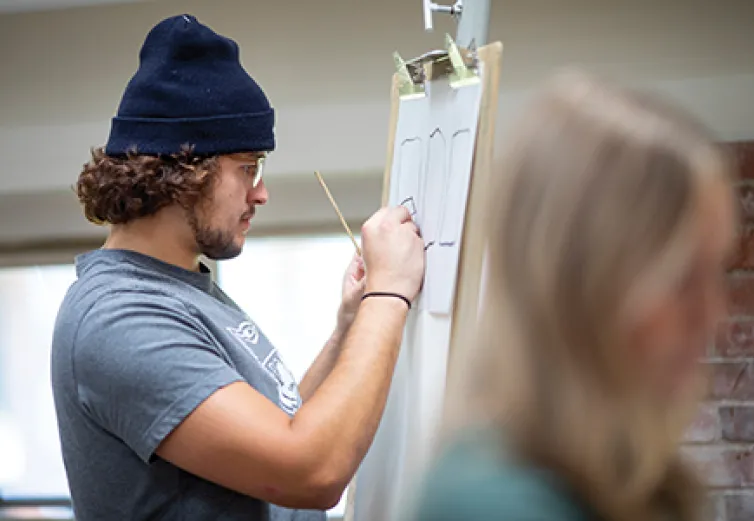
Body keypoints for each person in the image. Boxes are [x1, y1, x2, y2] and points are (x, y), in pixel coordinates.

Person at [50, 14, 425, 521]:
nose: (261, 192)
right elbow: (309, 471)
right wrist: (389, 295)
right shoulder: (120, 318)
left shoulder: (181, 286)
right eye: (248, 167)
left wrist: (348, 330)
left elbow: (280, 428)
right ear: (184, 170)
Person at [407, 70, 736, 521]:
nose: (712, 317)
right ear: (582, 283)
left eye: (715, 275)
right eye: (681, 281)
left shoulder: (622, 473)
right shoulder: (493, 504)